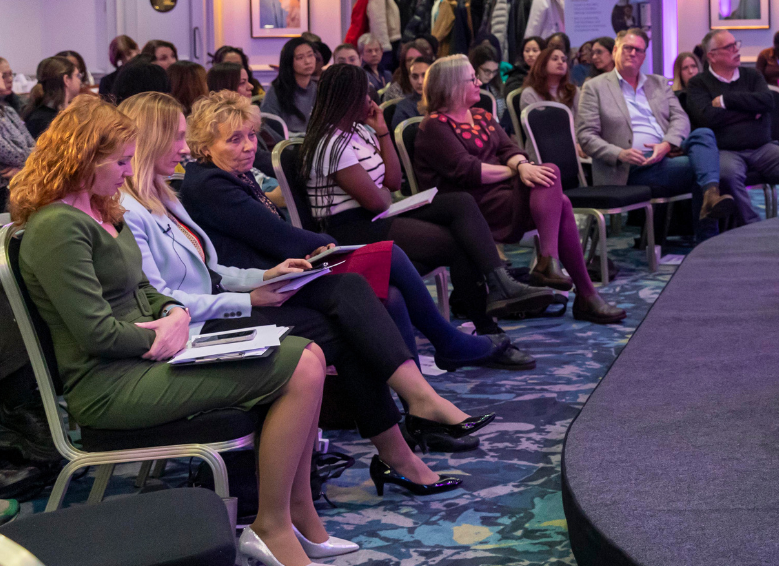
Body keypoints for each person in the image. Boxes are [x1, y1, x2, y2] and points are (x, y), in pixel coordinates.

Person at [8, 96, 334, 566]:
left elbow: (148, 289)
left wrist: (176, 317)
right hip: (110, 386)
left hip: (146, 361)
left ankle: (293, 513)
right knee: (301, 364)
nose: (126, 172)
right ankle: (273, 523)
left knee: (309, 354)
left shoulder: (101, 210)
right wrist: (163, 335)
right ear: (82, 158)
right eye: (119, 161)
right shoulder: (58, 226)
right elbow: (97, 334)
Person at [118, 92, 478, 495]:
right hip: (200, 328)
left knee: (354, 296)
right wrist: (250, 297)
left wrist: (265, 275)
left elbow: (211, 269)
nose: (183, 148)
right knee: (348, 312)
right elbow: (165, 300)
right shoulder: (135, 210)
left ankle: (408, 431)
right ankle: (407, 434)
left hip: (224, 305)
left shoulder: (163, 197)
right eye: (177, 138)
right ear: (150, 140)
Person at [301, 65, 550, 362]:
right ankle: (480, 329)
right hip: (350, 229)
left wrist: (381, 129)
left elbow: (392, 183)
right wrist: (378, 194)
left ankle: (498, 286)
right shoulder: (329, 143)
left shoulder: (359, 131)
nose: (370, 99)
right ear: (348, 97)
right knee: (458, 242)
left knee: (459, 203)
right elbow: (377, 201)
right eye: (363, 93)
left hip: (377, 216)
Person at [414, 55, 625, 324]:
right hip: (470, 208)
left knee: (553, 186)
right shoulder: (433, 126)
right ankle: (575, 286)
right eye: (472, 79)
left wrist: (523, 165)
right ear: (452, 85)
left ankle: (556, 269)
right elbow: (469, 170)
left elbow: (509, 150)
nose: (479, 82)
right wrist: (519, 170)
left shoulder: (481, 116)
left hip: (502, 195)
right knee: (558, 196)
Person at [576, 29, 731, 233]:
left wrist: (667, 144)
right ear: (615, 50)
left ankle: (710, 199)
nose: (633, 53)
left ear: (644, 56)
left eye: (639, 50)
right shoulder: (595, 88)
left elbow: (680, 118)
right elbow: (586, 136)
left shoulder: (658, 83)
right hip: (628, 167)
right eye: (628, 48)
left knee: (703, 134)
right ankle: (709, 235)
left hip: (664, 156)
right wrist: (620, 153)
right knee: (709, 169)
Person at [685, 30, 779, 227]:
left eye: (736, 44)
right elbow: (706, 118)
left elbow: (768, 102)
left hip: (762, 147)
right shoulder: (698, 84)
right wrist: (750, 111)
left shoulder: (752, 76)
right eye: (729, 47)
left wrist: (726, 101)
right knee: (726, 175)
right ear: (712, 56)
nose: (736, 50)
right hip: (726, 150)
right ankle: (753, 227)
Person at [261, 38, 319, 136]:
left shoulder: (318, 89)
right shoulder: (277, 91)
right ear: (289, 61)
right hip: (288, 146)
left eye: (310, 55)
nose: (308, 61)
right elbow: (269, 127)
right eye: (300, 57)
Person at [0, 59, 33, 208]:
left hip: (17, 186)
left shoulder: (9, 110)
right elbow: (13, 154)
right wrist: (29, 164)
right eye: (2, 75)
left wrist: (21, 170)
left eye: (9, 74)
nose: (9, 80)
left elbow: (34, 146)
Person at [22, 57, 81, 140]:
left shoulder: (66, 111)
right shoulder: (42, 121)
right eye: (77, 75)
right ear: (66, 80)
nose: (80, 80)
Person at [521, 43, 579, 114]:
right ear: (542, 64)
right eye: (555, 59)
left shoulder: (573, 91)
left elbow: (581, 122)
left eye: (564, 60)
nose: (560, 62)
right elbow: (533, 124)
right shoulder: (530, 94)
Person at [389, 55, 431, 132]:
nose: (420, 82)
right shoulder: (404, 106)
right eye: (415, 77)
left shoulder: (443, 102)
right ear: (409, 78)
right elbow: (403, 138)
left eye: (424, 75)